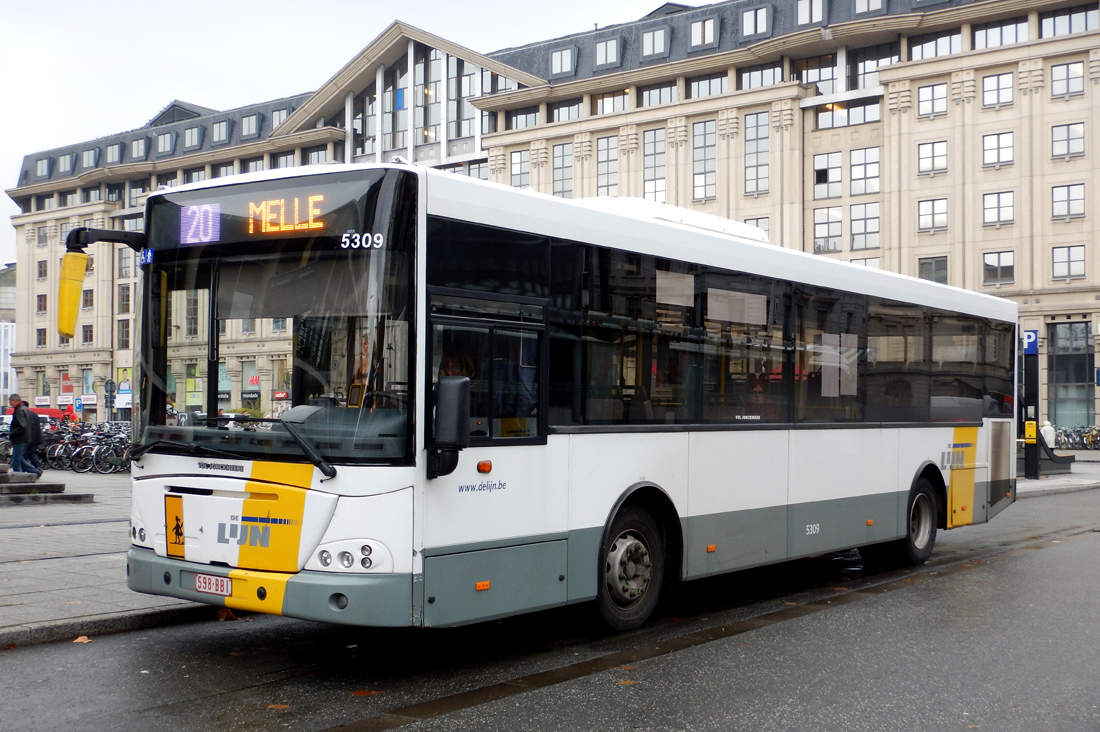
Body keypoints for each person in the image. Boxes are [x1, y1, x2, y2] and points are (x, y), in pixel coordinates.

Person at [7, 394, 41, 478]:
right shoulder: (25, 409)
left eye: (10, 401)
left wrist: (12, 433)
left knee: (16, 460)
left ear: (15, 401)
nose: (10, 404)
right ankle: (36, 471)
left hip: (20, 439)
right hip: (26, 438)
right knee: (20, 458)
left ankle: (18, 477)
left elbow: (22, 426)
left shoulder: (19, 411)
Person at [23, 400, 44, 474]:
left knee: (24, 454)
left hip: (26, 438)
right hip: (35, 438)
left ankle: (28, 469)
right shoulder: (34, 414)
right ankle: (37, 466)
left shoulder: (24, 414)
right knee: (32, 453)